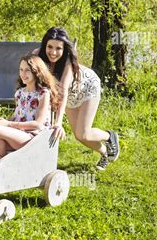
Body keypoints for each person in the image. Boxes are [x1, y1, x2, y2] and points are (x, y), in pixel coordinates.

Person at [33, 27, 119, 170]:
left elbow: (63, 92)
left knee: (83, 133)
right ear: (44, 45)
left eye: (58, 48)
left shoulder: (67, 62)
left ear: (64, 49)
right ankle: (105, 153)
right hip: (70, 98)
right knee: (80, 136)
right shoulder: (37, 57)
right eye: (50, 47)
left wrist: (58, 122)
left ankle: (109, 137)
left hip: (87, 88)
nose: (53, 52)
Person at [0, 54, 61, 163]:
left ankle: (5, 167)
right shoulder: (20, 93)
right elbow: (17, 116)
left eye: (27, 70)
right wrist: (2, 121)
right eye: (21, 70)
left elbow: (38, 124)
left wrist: (8, 125)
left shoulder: (43, 93)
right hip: (17, 135)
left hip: (33, 137)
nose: (23, 74)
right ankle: (6, 166)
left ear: (36, 72)